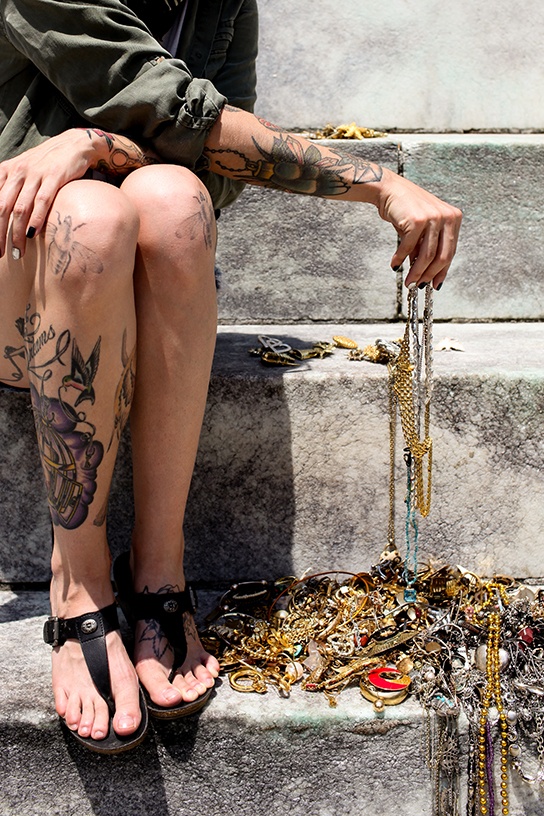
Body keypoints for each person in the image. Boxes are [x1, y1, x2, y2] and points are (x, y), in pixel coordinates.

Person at [0, 0, 462, 753]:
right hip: (20, 275)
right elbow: (167, 103)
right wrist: (378, 181)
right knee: (90, 215)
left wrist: (99, 144)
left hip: (134, 275)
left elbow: (212, 173)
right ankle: (78, 580)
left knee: (175, 202)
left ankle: (159, 568)